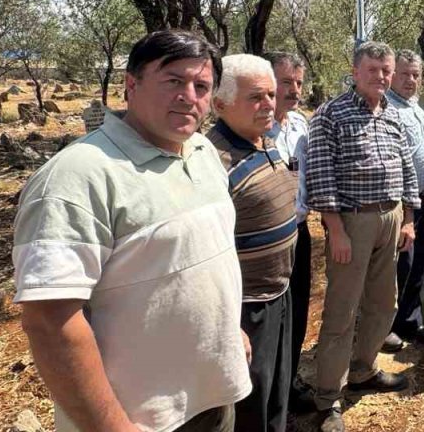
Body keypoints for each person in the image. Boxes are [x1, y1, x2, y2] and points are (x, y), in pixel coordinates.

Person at [12, 30, 249, 432]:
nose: (189, 95)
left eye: (201, 86)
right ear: (131, 85)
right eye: (173, 80)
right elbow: (50, 322)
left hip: (213, 397)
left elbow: (203, 259)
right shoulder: (76, 177)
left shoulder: (203, 151)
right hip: (140, 418)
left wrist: (230, 329)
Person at [305, 41, 419, 432]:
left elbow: (406, 167)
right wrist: (335, 229)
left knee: (383, 303)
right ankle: (328, 397)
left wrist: (408, 217)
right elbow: (321, 177)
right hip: (351, 224)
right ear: (355, 73)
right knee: (342, 311)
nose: (382, 77)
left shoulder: (391, 113)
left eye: (386, 70)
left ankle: (364, 369)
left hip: (390, 219)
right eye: (373, 70)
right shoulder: (329, 115)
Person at [207, 54, 300, 432]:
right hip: (247, 308)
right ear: (220, 103)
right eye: (255, 97)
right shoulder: (213, 161)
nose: (268, 105)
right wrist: (230, 322)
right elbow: (209, 253)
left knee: (277, 391)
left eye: (271, 95)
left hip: (279, 293)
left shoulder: (265, 139)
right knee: (251, 405)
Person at [264, 51, 316, 413]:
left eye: (298, 83)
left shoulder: (300, 126)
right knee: (268, 319)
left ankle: (291, 377)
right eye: (286, 82)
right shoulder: (252, 127)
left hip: (299, 231)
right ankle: (265, 391)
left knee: (297, 311)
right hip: (263, 243)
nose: (294, 90)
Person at [383, 50, 424, 350]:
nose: (410, 80)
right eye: (404, 74)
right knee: (399, 265)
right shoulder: (386, 109)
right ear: (392, 75)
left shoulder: (414, 107)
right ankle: (385, 327)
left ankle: (411, 321)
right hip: (402, 201)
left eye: (416, 75)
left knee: (419, 260)